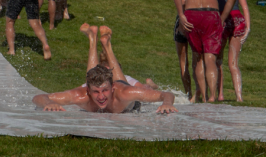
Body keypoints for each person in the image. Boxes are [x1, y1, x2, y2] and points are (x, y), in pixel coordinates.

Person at [32, 24, 178, 113]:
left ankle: (105, 45)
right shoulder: (81, 95)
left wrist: (166, 103)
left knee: (123, 81)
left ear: (112, 87)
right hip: (107, 85)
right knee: (92, 76)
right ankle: (94, 39)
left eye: (105, 91)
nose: (101, 97)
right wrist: (49, 103)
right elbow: (39, 97)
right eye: (95, 92)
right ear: (88, 90)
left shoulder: (125, 93)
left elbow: (165, 94)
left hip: (124, 93)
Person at [172, 0, 236, 103]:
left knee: (197, 57)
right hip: (211, 13)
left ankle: (205, 97)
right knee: (210, 58)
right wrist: (222, 17)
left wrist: (181, 13)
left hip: (192, 13)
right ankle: (213, 97)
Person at [215, 0, 251, 102]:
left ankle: (220, 94)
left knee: (218, 60)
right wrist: (248, 27)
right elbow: (245, 7)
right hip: (238, 20)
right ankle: (239, 97)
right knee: (234, 63)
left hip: (224, 20)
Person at [169, 0, 197, 102]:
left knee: (193, 60)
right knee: (185, 61)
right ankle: (189, 94)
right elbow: (184, 1)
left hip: (186, 21)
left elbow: (184, 0)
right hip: (184, 22)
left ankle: (195, 94)